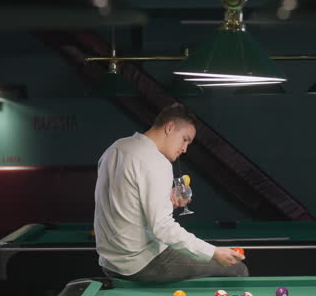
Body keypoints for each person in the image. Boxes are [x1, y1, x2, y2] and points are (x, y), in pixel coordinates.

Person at [94, 103, 248, 283]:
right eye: (185, 139)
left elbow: (121, 201)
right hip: (141, 264)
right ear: (169, 127)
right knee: (237, 269)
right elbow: (163, 228)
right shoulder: (156, 162)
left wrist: (166, 201)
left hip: (110, 263)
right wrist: (213, 252)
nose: (185, 149)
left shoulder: (116, 148)